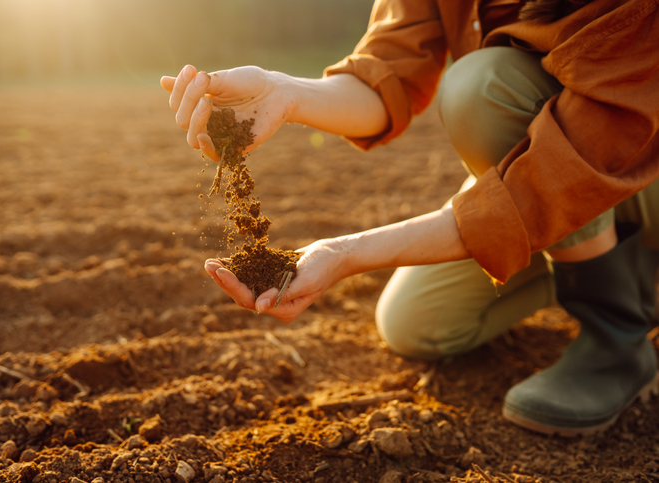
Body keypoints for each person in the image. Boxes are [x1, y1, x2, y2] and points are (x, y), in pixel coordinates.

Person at [160, 0, 659, 436]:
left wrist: (348, 253)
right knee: (418, 324)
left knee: (480, 89)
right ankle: (625, 265)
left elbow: (565, 168)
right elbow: (387, 76)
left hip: (634, 162)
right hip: (539, 172)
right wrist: (284, 91)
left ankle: (615, 338)